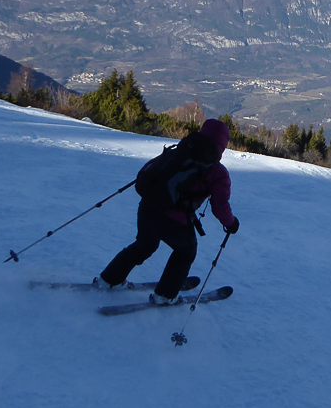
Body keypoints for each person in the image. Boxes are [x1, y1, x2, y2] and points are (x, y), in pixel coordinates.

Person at [99, 118, 240, 305]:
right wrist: (231, 223)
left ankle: (109, 279)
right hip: (175, 219)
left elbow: (148, 171)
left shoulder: (178, 150)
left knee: (144, 245)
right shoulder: (217, 172)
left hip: (147, 208)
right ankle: (165, 296)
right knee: (185, 252)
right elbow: (220, 206)